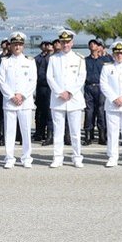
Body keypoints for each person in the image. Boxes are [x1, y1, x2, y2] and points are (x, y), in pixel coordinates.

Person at [46, 30, 87, 168]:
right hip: (58, 99)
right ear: (59, 43)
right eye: (63, 42)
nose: (65, 44)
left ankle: (77, 157)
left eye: (68, 42)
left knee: (75, 132)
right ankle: (58, 157)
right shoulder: (53, 59)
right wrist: (60, 92)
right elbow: (50, 78)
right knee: (58, 131)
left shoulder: (79, 58)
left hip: (73, 99)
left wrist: (70, 92)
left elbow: (81, 78)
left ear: (72, 43)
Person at [0, 32, 37, 169]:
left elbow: (33, 81)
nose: (17, 47)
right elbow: (2, 81)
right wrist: (11, 96)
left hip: (24, 102)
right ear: (11, 46)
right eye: (15, 44)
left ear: (23, 46)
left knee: (26, 131)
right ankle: (9, 157)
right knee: (9, 131)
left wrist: (22, 95)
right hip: (10, 102)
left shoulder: (30, 62)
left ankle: (26, 158)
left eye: (20, 44)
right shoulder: (5, 62)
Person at [84, 39, 111, 145]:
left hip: (101, 88)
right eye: (91, 44)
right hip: (89, 87)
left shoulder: (105, 61)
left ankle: (102, 136)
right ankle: (88, 136)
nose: (93, 46)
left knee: (101, 112)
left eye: (95, 44)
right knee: (89, 112)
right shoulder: (85, 60)